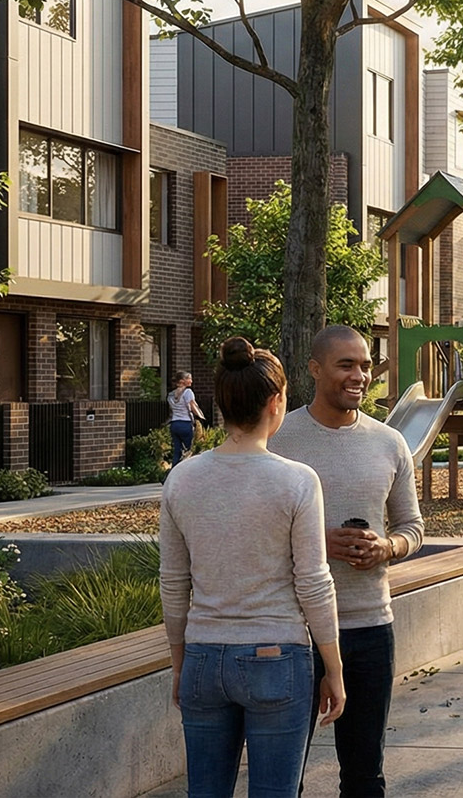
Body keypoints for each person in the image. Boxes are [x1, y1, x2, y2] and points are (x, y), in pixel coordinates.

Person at [159, 337, 345, 798]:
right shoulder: (297, 481)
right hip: (276, 657)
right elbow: (314, 584)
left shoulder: (181, 478)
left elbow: (172, 583)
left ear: (219, 403)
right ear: (276, 402)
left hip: (202, 653)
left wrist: (180, 662)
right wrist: (334, 668)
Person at [269, 325, 423, 798]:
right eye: (346, 365)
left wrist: (386, 548)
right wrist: (316, 543)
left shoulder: (390, 443)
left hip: (371, 627)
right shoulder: (279, 438)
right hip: (294, 631)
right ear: (315, 369)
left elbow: (412, 529)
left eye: (365, 365)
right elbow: (257, 533)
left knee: (364, 774)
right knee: (283, 778)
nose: (360, 375)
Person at [167, 370, 207, 468]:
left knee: (177, 451)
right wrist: (202, 418)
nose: (191, 381)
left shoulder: (171, 395)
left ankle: (172, 475)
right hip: (185, 424)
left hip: (174, 424)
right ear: (182, 381)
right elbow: (193, 406)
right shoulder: (188, 392)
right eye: (189, 378)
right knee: (190, 451)